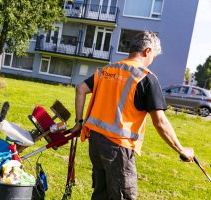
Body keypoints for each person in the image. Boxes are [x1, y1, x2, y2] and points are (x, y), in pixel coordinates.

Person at [71, 31, 194, 200]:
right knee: (123, 195)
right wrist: (182, 150)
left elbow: (81, 89)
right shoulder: (145, 77)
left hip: (95, 142)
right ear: (148, 51)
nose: (152, 61)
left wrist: (79, 122)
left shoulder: (107, 69)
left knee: (101, 194)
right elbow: (160, 123)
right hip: (118, 148)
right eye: (154, 56)